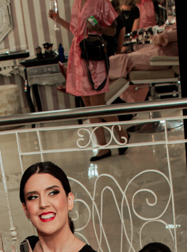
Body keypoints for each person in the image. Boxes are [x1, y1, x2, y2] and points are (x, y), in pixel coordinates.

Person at [50, 0, 126, 161]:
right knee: (89, 106)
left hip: (94, 56)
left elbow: (113, 30)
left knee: (98, 106)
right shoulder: (77, 2)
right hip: (79, 55)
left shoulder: (100, 2)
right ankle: (103, 147)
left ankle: (122, 134)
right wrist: (58, 19)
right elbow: (75, 29)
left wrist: (99, 28)